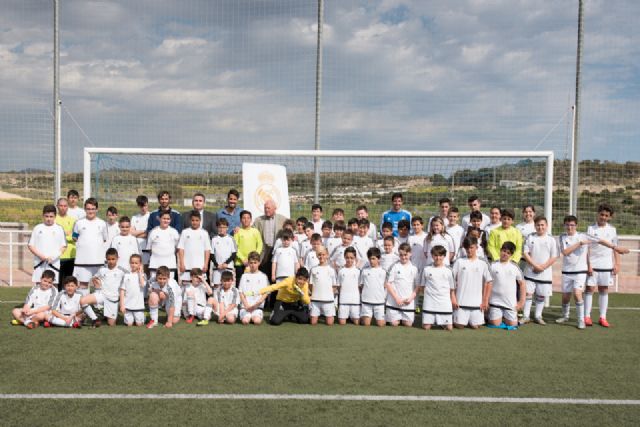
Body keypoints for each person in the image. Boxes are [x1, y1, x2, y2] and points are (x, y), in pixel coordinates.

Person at [585, 203, 629, 327]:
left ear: (610, 217)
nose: (603, 217)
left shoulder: (612, 230)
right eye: (601, 214)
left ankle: (602, 317)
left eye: (606, 215)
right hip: (593, 264)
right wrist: (588, 264)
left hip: (606, 265)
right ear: (597, 214)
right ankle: (587, 316)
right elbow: (587, 249)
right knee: (589, 289)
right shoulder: (590, 229)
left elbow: (616, 248)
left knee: (604, 289)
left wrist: (618, 264)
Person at [521, 216, 558, 325]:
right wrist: (535, 266)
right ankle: (526, 316)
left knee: (541, 295)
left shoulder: (551, 239)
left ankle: (538, 316)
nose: (540, 227)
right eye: (538, 225)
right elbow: (525, 253)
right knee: (528, 293)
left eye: (542, 225)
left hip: (544, 273)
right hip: (530, 271)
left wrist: (543, 267)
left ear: (546, 226)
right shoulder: (530, 237)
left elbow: (554, 256)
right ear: (535, 226)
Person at [556, 215, 591, 329]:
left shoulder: (583, 236)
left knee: (577, 293)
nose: (570, 227)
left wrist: (590, 266)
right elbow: (565, 252)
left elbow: (594, 245)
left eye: (572, 225)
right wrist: (579, 244)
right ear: (564, 225)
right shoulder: (562, 237)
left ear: (576, 225)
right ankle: (565, 316)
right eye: (567, 225)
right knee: (566, 297)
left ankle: (581, 320)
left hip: (580, 271)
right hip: (567, 271)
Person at [452, 237, 492, 329]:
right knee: (459, 326)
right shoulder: (459, 261)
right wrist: (453, 298)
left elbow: (489, 282)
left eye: (471, 247)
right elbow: (451, 281)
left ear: (476, 247)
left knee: (475, 326)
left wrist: (485, 300)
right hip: (461, 303)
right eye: (467, 248)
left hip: (477, 304)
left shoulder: (483, 262)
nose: (469, 250)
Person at [412, 245, 455, 331]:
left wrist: (453, 299)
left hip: (444, 303)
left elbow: (452, 288)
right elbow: (422, 287)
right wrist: (427, 298)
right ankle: (434, 320)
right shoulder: (426, 269)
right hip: (430, 303)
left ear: (444, 256)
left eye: (440, 255)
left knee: (449, 328)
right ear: (432, 255)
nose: (438, 258)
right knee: (426, 327)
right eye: (435, 255)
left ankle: (441, 322)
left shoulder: (449, 270)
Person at [484, 242, 525, 329]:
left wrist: (521, 301)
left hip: (510, 303)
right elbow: (487, 282)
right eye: (504, 251)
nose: (505, 254)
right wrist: (486, 300)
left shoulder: (515, 267)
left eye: (508, 253)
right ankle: (489, 315)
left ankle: (506, 317)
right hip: (495, 301)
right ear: (500, 250)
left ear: (511, 255)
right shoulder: (493, 265)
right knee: (495, 324)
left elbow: (522, 284)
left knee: (512, 325)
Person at [72, 198, 108, 297]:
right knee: (83, 284)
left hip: (98, 260)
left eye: (93, 209)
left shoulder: (102, 223)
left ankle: (98, 308)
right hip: (82, 261)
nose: (90, 211)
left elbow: (105, 239)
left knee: (98, 282)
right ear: (85, 209)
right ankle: (84, 308)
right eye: (88, 209)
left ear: (97, 209)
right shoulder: (78, 223)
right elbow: (74, 238)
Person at [81, 248, 126, 327]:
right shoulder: (102, 269)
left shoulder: (121, 270)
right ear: (106, 259)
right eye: (109, 259)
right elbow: (94, 278)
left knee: (111, 324)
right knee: (83, 301)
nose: (111, 261)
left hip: (113, 299)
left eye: (113, 259)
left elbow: (131, 278)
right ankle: (95, 319)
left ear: (117, 258)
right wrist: (96, 283)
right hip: (102, 294)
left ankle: (110, 314)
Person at [28, 204, 66, 287]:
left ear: (55, 216)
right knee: (39, 286)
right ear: (43, 216)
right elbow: (31, 245)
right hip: (39, 263)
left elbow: (63, 246)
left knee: (53, 287)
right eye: (47, 216)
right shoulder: (37, 228)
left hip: (54, 263)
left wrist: (53, 257)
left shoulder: (59, 229)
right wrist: (41, 256)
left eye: (51, 216)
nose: (49, 219)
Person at [253, 199, 287, 281]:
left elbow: (290, 228)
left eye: (268, 208)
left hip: (276, 249)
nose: (266, 210)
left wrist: (294, 235)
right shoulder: (258, 220)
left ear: (274, 208)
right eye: (265, 208)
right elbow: (250, 230)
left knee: (276, 273)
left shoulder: (282, 219)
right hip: (264, 251)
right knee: (264, 273)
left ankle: (275, 293)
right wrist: (238, 228)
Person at [385, 243, 419, 327]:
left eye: (405, 255)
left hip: (408, 302)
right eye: (401, 255)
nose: (403, 257)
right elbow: (388, 284)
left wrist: (410, 299)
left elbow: (417, 286)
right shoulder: (394, 266)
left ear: (410, 253)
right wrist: (397, 299)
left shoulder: (414, 268)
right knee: (394, 323)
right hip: (394, 301)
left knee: (408, 324)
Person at [177, 210, 212, 283]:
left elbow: (207, 250)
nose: (195, 222)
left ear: (200, 221)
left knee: (200, 289)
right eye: (193, 220)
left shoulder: (204, 233)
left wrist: (206, 264)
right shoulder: (185, 232)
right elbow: (181, 249)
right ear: (190, 220)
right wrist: (182, 264)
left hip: (200, 267)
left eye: (197, 220)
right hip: (186, 267)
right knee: (186, 289)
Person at [238, 252, 269, 325]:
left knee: (257, 321)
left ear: (259, 263)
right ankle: (246, 315)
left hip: (257, 307)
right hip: (246, 307)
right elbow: (241, 292)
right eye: (251, 263)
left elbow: (266, 293)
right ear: (248, 263)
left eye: (255, 263)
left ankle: (254, 316)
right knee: (245, 321)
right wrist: (246, 305)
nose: (253, 265)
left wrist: (255, 305)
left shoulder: (263, 276)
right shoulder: (244, 276)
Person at [147, 210, 180, 279]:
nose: (166, 221)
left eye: (168, 219)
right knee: (154, 286)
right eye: (164, 218)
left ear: (170, 220)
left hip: (170, 265)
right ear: (159, 219)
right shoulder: (153, 232)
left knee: (169, 285)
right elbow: (149, 249)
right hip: (155, 265)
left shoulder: (174, 232)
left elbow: (177, 248)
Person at [309, 247, 338, 326]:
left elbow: (334, 286)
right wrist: (314, 295)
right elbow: (311, 285)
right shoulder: (313, 269)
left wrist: (328, 295)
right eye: (319, 255)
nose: (321, 256)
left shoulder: (331, 270)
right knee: (313, 323)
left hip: (328, 301)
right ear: (316, 256)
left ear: (327, 255)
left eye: (323, 254)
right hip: (315, 300)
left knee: (329, 323)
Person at [234, 210, 263, 285]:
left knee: (253, 282)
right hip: (240, 263)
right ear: (240, 220)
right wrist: (242, 259)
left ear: (251, 219)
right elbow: (235, 247)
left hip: (252, 262)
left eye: (248, 218)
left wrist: (254, 257)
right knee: (240, 283)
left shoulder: (255, 231)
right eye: (244, 218)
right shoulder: (238, 232)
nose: (246, 220)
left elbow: (260, 244)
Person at [359, 247, 387, 327]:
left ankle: (384, 317)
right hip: (366, 302)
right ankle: (363, 316)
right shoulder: (364, 271)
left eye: (374, 259)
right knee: (366, 324)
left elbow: (385, 286)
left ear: (379, 259)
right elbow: (361, 285)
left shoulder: (383, 271)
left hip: (379, 302)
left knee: (380, 324)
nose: (371, 261)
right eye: (370, 259)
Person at [119, 254, 147, 327]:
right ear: (129, 263)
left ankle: (143, 317)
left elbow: (142, 284)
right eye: (132, 263)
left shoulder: (143, 275)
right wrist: (122, 305)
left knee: (139, 324)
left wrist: (140, 273)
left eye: (136, 263)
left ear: (140, 264)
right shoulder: (126, 275)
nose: (134, 265)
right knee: (129, 324)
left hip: (138, 306)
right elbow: (122, 291)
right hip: (128, 306)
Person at [55, 197, 76, 287]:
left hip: (71, 254)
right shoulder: (54, 220)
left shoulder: (73, 220)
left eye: (65, 206)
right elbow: (55, 236)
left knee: (69, 281)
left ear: (68, 207)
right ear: (57, 206)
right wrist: (67, 234)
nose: (63, 208)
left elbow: (75, 237)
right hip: (58, 254)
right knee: (58, 281)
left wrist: (63, 234)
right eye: (61, 206)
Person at [336, 247, 361, 325]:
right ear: (344, 257)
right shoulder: (341, 271)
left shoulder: (358, 271)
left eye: (351, 258)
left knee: (357, 323)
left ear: (355, 258)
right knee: (342, 323)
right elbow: (339, 286)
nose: (349, 260)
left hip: (355, 301)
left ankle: (352, 316)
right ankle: (347, 316)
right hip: (344, 301)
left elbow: (360, 287)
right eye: (347, 257)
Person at [210, 218, 237, 289]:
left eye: (223, 227)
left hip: (228, 267)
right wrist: (217, 264)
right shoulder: (214, 239)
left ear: (227, 228)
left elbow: (234, 253)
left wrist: (226, 263)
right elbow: (211, 254)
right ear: (217, 228)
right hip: (217, 268)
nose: (221, 229)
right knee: (217, 287)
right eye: (220, 227)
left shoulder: (231, 239)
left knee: (229, 288)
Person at [130, 195, 151, 269]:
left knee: (146, 269)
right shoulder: (134, 218)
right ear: (138, 206)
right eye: (141, 206)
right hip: (136, 248)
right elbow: (131, 233)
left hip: (147, 249)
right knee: (136, 269)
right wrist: (144, 231)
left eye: (145, 205)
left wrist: (137, 233)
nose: (143, 208)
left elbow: (149, 234)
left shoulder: (151, 216)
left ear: (147, 204)